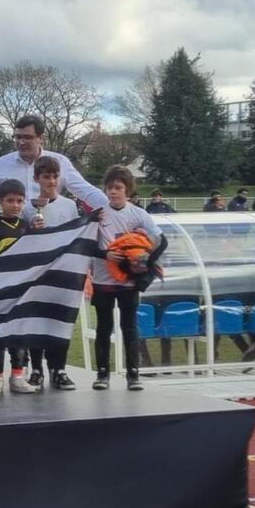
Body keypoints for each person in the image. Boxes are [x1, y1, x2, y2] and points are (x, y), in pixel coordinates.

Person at [91, 165, 167, 391]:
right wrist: (105, 253)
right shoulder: (98, 213)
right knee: (104, 328)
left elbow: (161, 241)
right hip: (103, 279)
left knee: (130, 326)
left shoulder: (138, 214)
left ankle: (133, 375)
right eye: (109, 188)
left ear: (127, 190)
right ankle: (102, 374)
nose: (113, 192)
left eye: (118, 188)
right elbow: (84, 244)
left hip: (128, 281)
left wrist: (146, 259)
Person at [19, 156, 80, 391]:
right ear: (37, 179)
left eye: (55, 176)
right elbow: (20, 240)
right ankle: (36, 369)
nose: (52, 181)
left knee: (60, 322)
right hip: (38, 273)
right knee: (38, 322)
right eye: (46, 177)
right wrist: (29, 230)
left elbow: (77, 236)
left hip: (63, 273)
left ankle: (59, 369)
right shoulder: (27, 207)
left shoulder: (69, 205)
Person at [0, 179, 35, 396]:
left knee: (19, 333)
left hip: (21, 289)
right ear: (0, 202)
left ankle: (18, 375)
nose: (15, 205)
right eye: (10, 201)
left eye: (20, 201)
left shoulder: (26, 227)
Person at [0, 114, 107, 211]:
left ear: (41, 139)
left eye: (27, 137)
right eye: (18, 137)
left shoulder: (60, 162)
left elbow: (85, 190)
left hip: (48, 232)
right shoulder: (0, 164)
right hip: (12, 234)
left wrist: (115, 208)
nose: (21, 142)